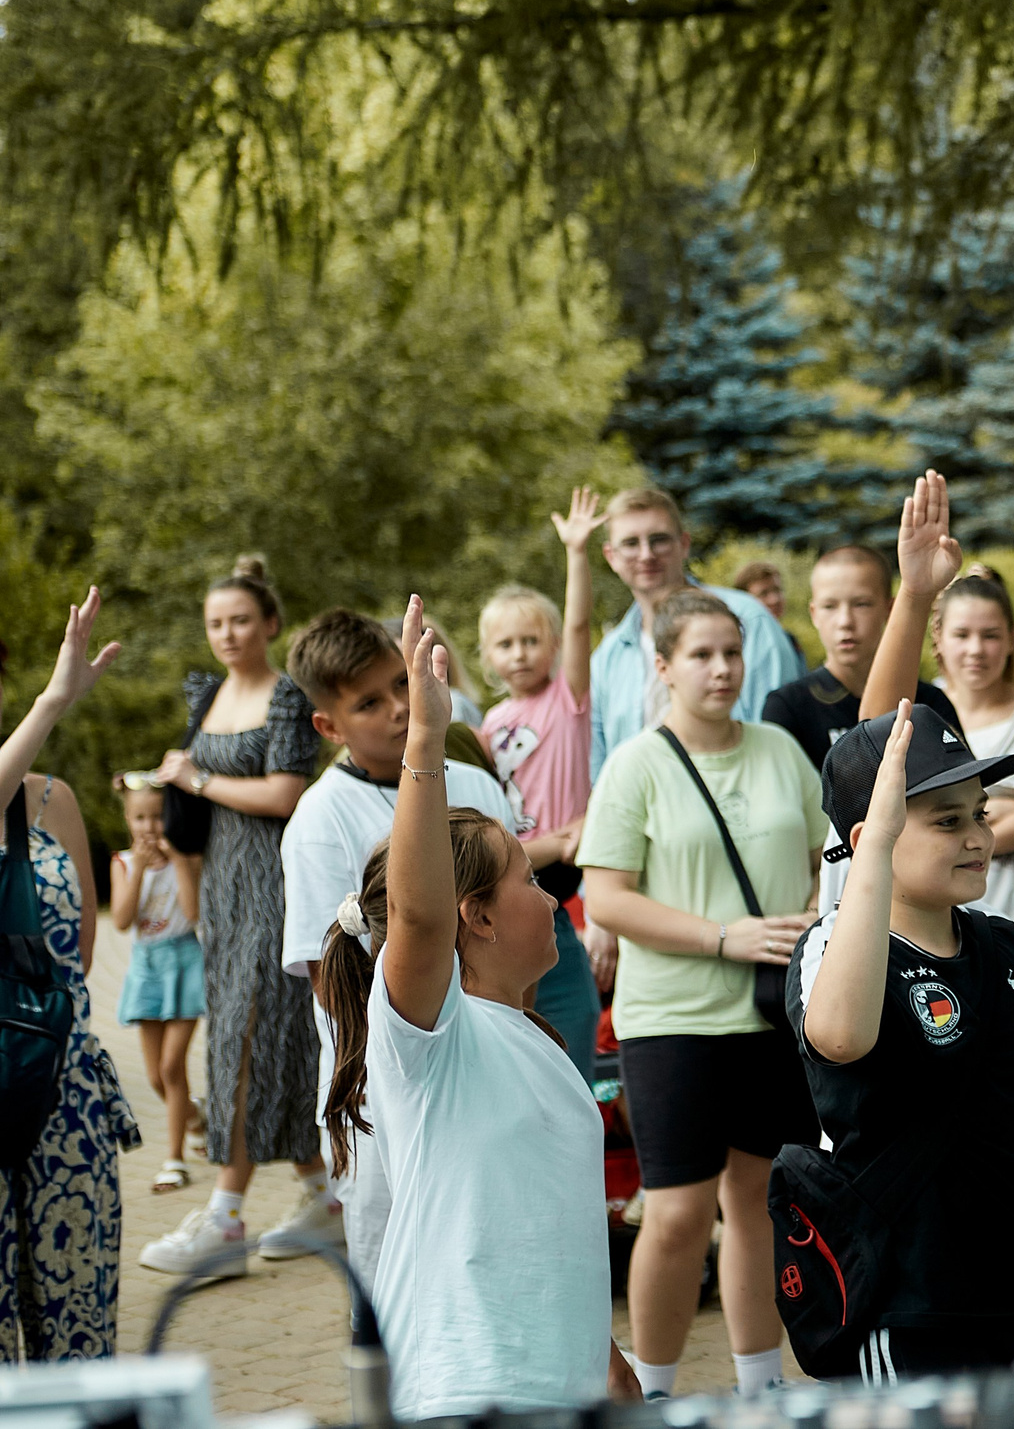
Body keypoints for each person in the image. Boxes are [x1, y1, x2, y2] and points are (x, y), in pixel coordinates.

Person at [314, 604, 637, 1417]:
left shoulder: (529, 1034)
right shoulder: (434, 1037)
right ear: (478, 916)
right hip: (469, 1386)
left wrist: (606, 1356)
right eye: (528, 878)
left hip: (559, 1383)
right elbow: (420, 918)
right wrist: (426, 740)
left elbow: (538, 1222)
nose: (550, 895)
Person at [792, 704, 1014, 1377]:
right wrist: (872, 849)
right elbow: (842, 1035)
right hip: (910, 1314)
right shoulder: (831, 949)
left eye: (981, 813)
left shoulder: (1004, 945)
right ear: (874, 836)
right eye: (946, 820)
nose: (978, 836)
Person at [580, 589, 831, 1402]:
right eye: (700, 654)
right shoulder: (636, 763)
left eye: (732, 651)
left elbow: (825, 861)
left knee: (759, 1205)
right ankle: (654, 1392)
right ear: (663, 666)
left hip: (768, 1015)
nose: (722, 668)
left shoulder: (780, 751)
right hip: (673, 1020)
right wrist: (724, 936)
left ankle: (760, 1385)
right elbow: (608, 898)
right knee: (680, 1213)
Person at [278, 607, 521, 1280]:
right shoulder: (322, 818)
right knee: (396, 1273)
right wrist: (411, 1040)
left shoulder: (471, 784)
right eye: (367, 702)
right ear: (328, 725)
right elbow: (329, 970)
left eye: (397, 684)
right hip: (383, 1085)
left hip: (487, 1057)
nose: (395, 708)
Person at [140, 558, 335, 1278]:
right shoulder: (208, 693)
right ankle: (323, 1194)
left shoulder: (289, 696)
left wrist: (194, 776)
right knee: (260, 1033)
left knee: (247, 1036)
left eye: (241, 619)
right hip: (221, 885)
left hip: (276, 882)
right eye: (216, 621)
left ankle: (225, 1214)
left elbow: (287, 792)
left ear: (270, 623)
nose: (227, 633)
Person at [0, 590, 140, 1360]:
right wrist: (53, 702)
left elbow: (81, 959)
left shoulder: (54, 800)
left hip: (64, 1087)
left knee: (79, 1327)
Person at [861, 480, 1014, 957]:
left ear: (1010, 640)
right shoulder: (931, 706)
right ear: (938, 638)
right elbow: (873, 723)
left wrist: (937, 836)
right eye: (962, 634)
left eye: (991, 635)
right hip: (938, 916)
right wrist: (1003, 816)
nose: (977, 650)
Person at [481, 488, 611, 1072]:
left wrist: (576, 553)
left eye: (532, 641)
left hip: (560, 866)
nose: (519, 653)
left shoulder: (566, 700)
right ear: (487, 656)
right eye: (506, 644)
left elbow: (581, 623)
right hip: (523, 858)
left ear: (554, 648)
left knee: (571, 1013)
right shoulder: (490, 723)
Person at [589, 488, 804, 767]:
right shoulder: (609, 656)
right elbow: (601, 767)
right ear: (611, 556)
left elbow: (779, 738)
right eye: (630, 543)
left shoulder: (748, 620)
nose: (646, 554)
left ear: (684, 544)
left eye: (659, 540)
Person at [764, 546, 963, 779]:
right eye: (830, 606)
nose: (845, 621)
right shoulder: (788, 707)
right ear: (814, 613)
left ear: (889, 609)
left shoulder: (928, 702)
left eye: (861, 604)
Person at [111, 774, 205, 1197]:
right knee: (153, 1076)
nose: (149, 827)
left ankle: (174, 1159)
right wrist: (138, 871)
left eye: (157, 816)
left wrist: (180, 861)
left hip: (185, 961)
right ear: (128, 820)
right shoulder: (123, 863)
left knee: (172, 1067)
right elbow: (121, 919)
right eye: (139, 818)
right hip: (147, 968)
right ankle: (196, 1119)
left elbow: (192, 910)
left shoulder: (188, 857)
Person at [734, 561, 810, 674]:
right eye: (763, 594)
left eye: (777, 590)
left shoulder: (790, 640)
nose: (774, 599)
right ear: (746, 601)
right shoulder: (740, 645)